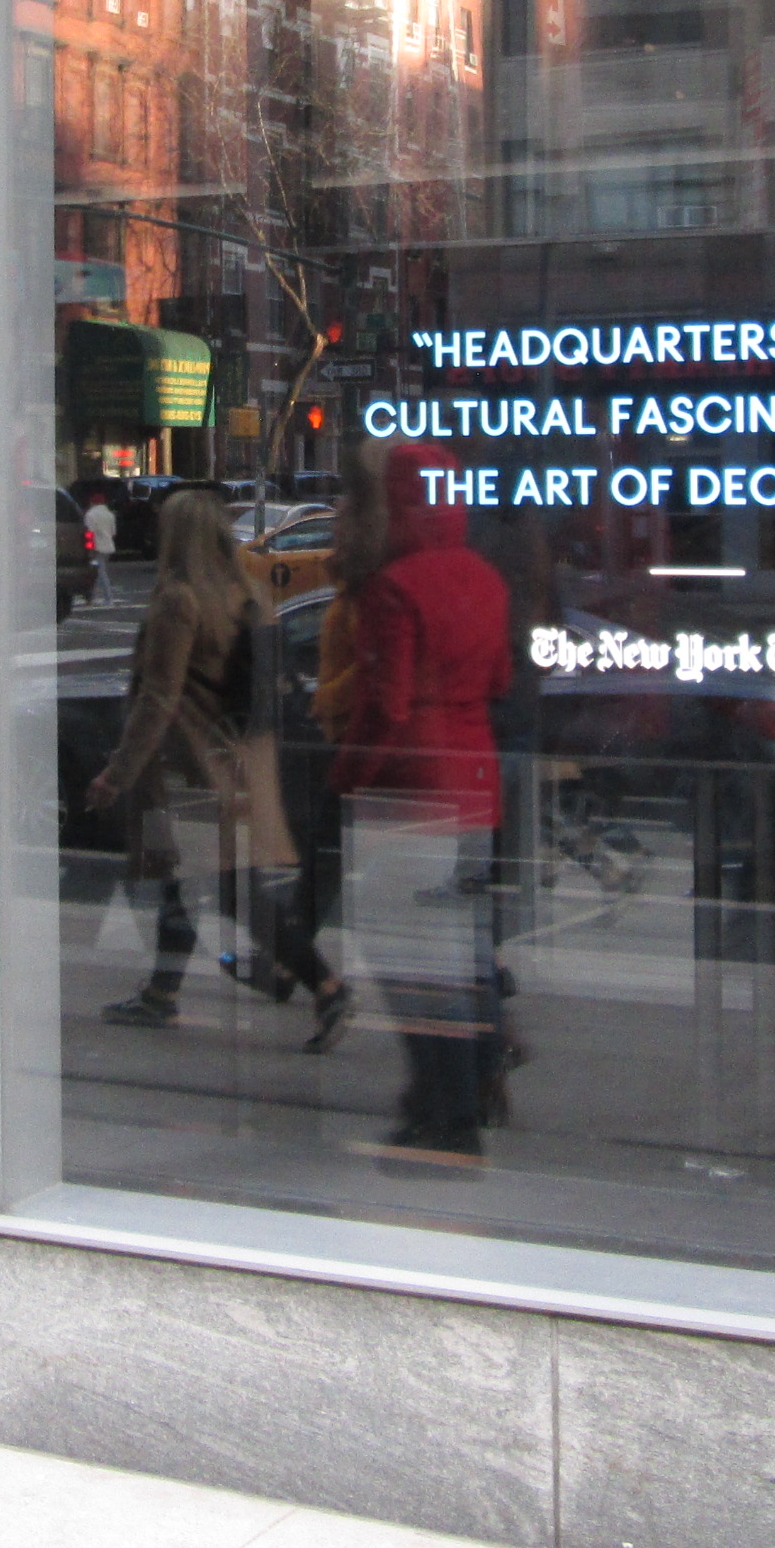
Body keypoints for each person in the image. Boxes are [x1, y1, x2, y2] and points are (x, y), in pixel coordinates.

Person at [86, 488, 353, 1048]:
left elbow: (159, 696)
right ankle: (162, 992)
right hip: (242, 761)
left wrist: (117, 772)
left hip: (191, 767)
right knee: (193, 882)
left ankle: (325, 985)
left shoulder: (179, 600)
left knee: (224, 887)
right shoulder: (249, 593)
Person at [331, 439, 517, 1166]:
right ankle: (472, 1086)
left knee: (406, 959)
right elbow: (500, 680)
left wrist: (345, 776)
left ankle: (444, 1111)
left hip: (415, 792)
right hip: (477, 785)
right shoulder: (484, 575)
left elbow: (387, 705)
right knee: (457, 952)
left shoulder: (395, 586)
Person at [84, 487, 120, 606]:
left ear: (92, 502)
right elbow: (113, 532)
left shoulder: (90, 515)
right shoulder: (110, 515)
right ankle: (92, 596)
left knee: (99, 572)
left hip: (96, 547)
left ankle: (108, 598)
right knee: (99, 571)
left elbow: (89, 533)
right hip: (108, 546)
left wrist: (89, 548)